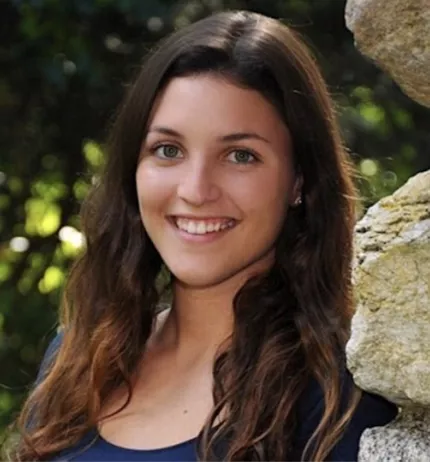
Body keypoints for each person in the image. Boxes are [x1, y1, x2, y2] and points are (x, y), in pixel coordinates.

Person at [9, 9, 397, 461]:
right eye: (168, 150)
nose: (195, 191)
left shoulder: (341, 396)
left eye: (240, 155)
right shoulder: (77, 360)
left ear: (299, 180)